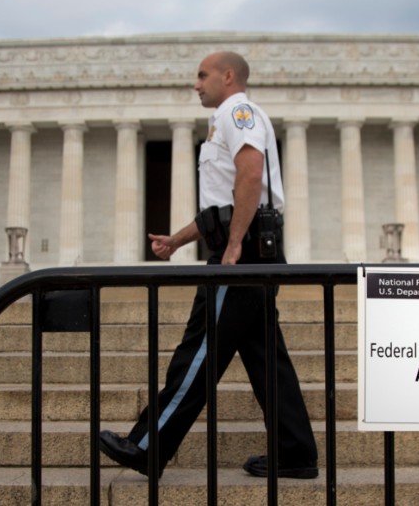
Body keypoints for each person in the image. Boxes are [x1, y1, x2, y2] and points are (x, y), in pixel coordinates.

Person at [99, 51, 318, 479]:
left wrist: (234, 245)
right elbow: (219, 206)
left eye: (202, 76)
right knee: (265, 358)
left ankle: (147, 445)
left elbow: (250, 176)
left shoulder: (238, 112)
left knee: (198, 351)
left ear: (228, 76)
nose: (196, 84)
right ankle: (296, 453)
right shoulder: (223, 121)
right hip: (246, 250)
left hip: (243, 253)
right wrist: (178, 241)